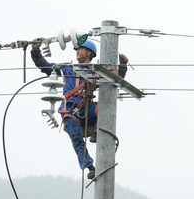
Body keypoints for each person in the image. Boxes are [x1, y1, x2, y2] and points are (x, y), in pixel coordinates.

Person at [30, 40, 128, 179]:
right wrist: (35, 51)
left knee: (105, 107)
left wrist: (122, 67)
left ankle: (97, 134)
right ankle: (90, 167)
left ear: (89, 53)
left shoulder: (96, 71)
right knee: (77, 140)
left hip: (86, 107)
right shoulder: (68, 68)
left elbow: (115, 80)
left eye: (80, 49)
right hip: (70, 110)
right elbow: (45, 66)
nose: (77, 51)